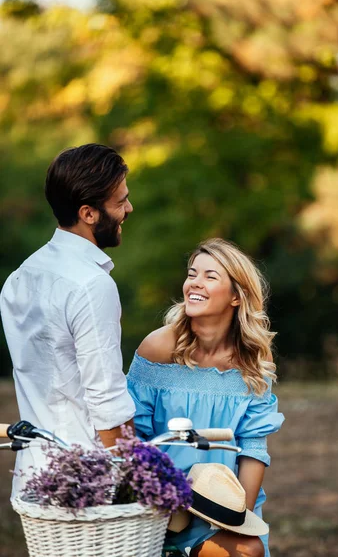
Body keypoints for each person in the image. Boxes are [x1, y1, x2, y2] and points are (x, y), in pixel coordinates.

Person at [127, 238, 284, 557]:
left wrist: (236, 519)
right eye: (191, 273)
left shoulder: (251, 365)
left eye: (210, 276)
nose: (194, 283)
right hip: (157, 510)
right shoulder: (158, 349)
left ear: (237, 296)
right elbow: (133, 436)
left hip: (218, 507)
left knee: (245, 550)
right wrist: (157, 503)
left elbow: (253, 446)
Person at [0, 143, 136, 496]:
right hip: (87, 483)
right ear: (89, 214)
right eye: (120, 202)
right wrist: (136, 480)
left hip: (33, 476)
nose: (128, 208)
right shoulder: (91, 285)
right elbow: (106, 400)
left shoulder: (20, 277)